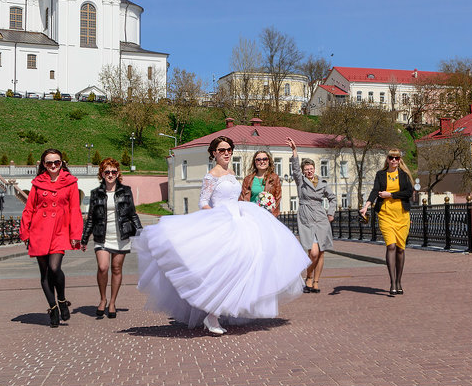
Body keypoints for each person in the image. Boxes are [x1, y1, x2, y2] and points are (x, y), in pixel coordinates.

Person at [134, 135, 310, 335]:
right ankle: (212, 314)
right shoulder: (211, 175)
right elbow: (203, 202)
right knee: (222, 269)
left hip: (238, 218)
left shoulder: (231, 172)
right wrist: (217, 218)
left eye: (229, 150)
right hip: (221, 221)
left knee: (246, 262)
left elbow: (236, 197)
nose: (226, 153)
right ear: (214, 153)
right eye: (222, 150)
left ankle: (224, 309)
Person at [19, 149, 83, 327]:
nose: (53, 166)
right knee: (45, 273)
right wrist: (25, 232)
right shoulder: (38, 183)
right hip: (39, 231)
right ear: (43, 165)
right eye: (49, 163)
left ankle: (62, 300)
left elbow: (74, 210)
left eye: (56, 162)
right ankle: (53, 308)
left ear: (62, 163)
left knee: (55, 268)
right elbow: (29, 208)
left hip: (59, 231)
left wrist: (75, 234)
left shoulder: (70, 182)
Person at [81, 158, 143, 319]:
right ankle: (102, 299)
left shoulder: (126, 191)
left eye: (113, 172)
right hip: (102, 236)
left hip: (121, 236)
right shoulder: (96, 193)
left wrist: (141, 232)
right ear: (102, 174)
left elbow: (132, 214)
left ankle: (113, 302)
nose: (110, 175)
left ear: (118, 173)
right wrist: (84, 238)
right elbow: (91, 219)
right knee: (103, 267)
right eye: (107, 172)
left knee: (116, 269)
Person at [359, 149, 414, 297]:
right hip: (385, 214)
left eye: (397, 158)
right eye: (391, 158)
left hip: (402, 215)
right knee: (391, 246)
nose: (394, 160)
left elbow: (409, 192)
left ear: (399, 160)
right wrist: (366, 205)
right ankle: (392, 282)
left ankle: (399, 281)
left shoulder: (404, 175)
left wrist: (391, 194)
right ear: (387, 159)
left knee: (400, 249)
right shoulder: (381, 174)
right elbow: (375, 190)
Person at [286, 137, 336, 294]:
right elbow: (295, 169)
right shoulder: (300, 181)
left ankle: (316, 282)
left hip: (321, 217)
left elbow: (333, 198)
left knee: (321, 252)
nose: (309, 171)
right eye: (306, 169)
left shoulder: (322, 183)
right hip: (306, 216)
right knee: (313, 252)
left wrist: (331, 213)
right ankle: (308, 276)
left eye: (311, 168)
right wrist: (294, 151)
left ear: (314, 168)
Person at [239, 148, 281, 215]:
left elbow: (277, 199)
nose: (262, 161)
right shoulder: (248, 179)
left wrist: (273, 215)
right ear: (254, 162)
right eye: (258, 160)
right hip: (251, 215)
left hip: (268, 215)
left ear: (268, 161)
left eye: (265, 159)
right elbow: (242, 199)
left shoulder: (274, 178)